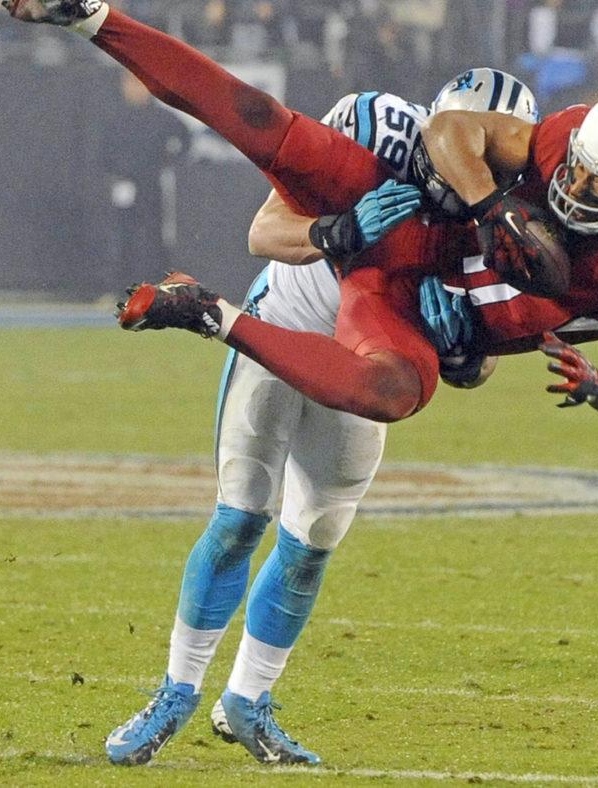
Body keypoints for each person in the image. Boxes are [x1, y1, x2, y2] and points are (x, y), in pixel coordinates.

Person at [4, 0, 598, 443]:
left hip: (403, 303)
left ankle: (206, 313)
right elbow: (448, 134)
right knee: (261, 118)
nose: (573, 187)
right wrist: (484, 208)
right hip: (389, 214)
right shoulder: (528, 139)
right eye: (579, 167)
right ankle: (80, 8)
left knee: (395, 393)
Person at [103, 72, 535, 768]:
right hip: (282, 326)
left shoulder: (499, 217)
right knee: (243, 515)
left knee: (313, 541)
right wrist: (336, 231)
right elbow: (263, 231)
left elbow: (482, 359)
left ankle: (246, 702)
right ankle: (177, 691)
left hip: (357, 371)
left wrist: (463, 353)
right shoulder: (375, 130)